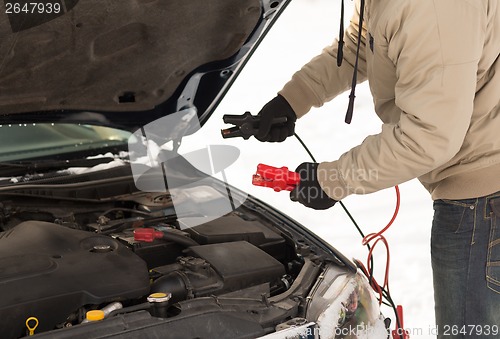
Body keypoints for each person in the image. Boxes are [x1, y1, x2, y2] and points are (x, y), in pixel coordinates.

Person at [255, 0, 500, 338]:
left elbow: (429, 136)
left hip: (483, 205)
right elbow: (364, 42)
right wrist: (294, 98)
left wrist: (332, 179)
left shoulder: (432, 8)